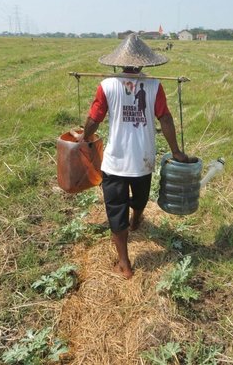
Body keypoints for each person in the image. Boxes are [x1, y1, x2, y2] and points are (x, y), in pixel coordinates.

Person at [77, 33, 193, 279]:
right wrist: (176, 152)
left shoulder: (107, 85)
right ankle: (137, 220)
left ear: (119, 62)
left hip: (115, 162)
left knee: (116, 209)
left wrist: (85, 138)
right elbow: (165, 118)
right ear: (143, 63)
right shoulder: (154, 86)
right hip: (143, 160)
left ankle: (125, 264)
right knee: (139, 198)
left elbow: (94, 118)